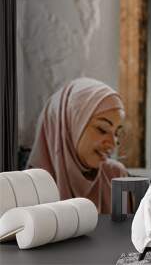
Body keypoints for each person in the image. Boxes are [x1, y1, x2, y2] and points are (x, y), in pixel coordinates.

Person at [27, 77, 127, 213]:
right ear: (68, 127)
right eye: (102, 129)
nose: (113, 143)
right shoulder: (28, 188)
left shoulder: (115, 177)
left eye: (116, 133)